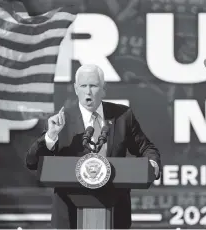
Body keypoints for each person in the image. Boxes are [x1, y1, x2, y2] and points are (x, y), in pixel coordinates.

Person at [26, 64, 161, 229]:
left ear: (104, 89)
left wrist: (152, 163)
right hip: (70, 215)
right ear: (76, 89)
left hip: (115, 212)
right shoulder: (61, 119)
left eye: (93, 86)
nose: (88, 92)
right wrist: (51, 136)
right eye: (83, 86)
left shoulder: (122, 116)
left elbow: (146, 148)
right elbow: (32, 161)